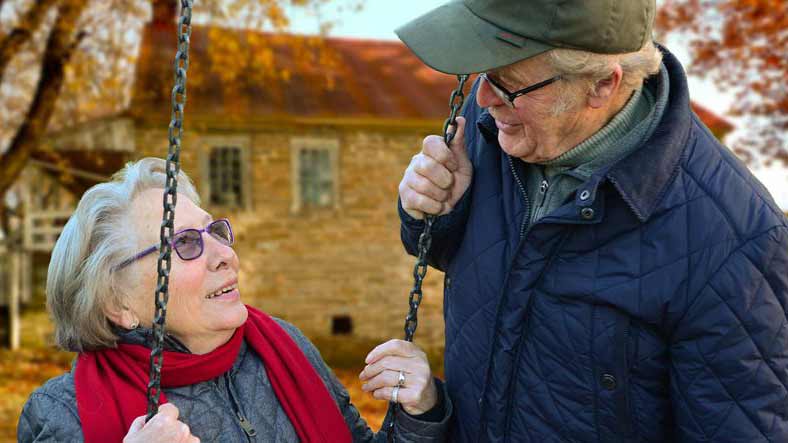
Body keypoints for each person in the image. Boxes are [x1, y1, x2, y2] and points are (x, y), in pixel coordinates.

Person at [395, 0, 788, 441]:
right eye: (482, 74)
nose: (484, 99)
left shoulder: (737, 243)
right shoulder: (497, 124)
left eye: (507, 84)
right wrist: (432, 212)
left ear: (602, 85)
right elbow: (475, 261)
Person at [18, 158, 451, 442]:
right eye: (185, 244)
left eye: (215, 232)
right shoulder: (60, 415)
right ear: (118, 303)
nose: (225, 255)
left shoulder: (284, 346)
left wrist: (419, 412)